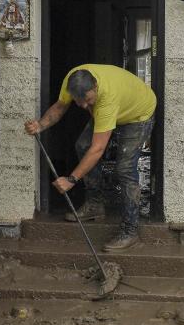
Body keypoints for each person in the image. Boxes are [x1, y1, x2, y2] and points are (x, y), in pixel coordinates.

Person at [24, 64, 156, 251]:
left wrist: (71, 179)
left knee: (124, 168)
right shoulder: (73, 79)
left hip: (138, 113)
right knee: (83, 145)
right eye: (79, 102)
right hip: (113, 106)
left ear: (95, 86)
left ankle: (130, 231)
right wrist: (39, 125)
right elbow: (60, 106)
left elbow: (98, 149)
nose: (84, 106)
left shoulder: (106, 97)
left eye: (87, 100)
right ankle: (95, 204)